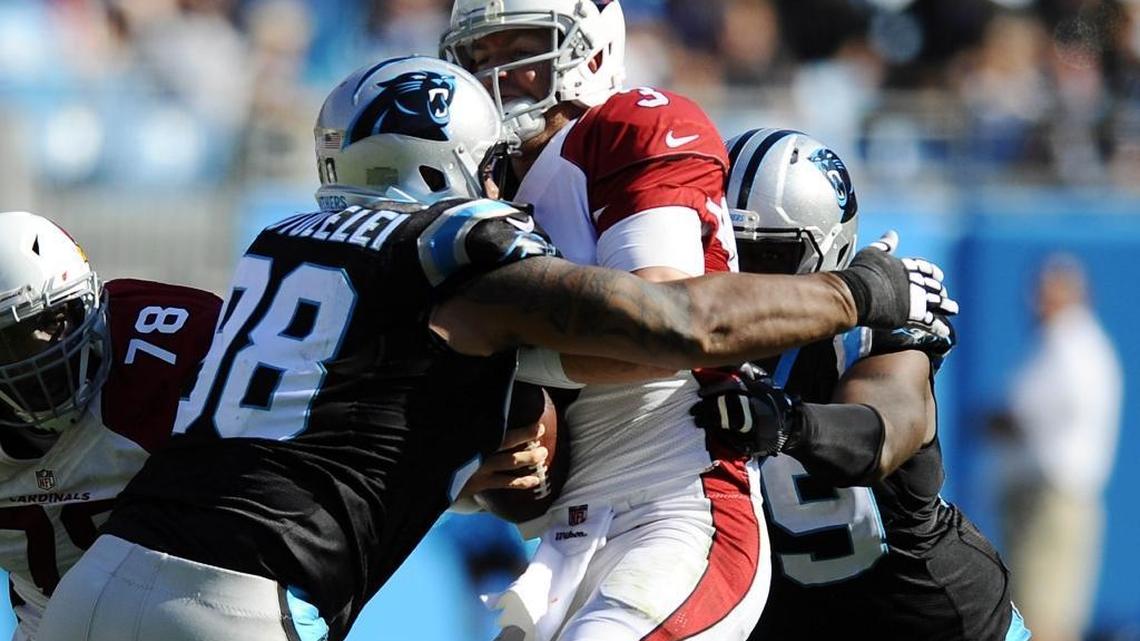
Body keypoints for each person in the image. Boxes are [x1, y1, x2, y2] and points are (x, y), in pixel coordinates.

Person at [38, 57, 953, 641]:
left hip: (101, 576)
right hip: (250, 596)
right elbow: (671, 326)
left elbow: (380, 423)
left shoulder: (278, 241)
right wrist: (859, 293)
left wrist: (513, 441)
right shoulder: (456, 247)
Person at [439, 4, 953, 640]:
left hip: (696, 521)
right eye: (481, 54)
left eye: (519, 49)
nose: (745, 278)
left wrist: (809, 389)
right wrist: (471, 466)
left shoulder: (629, 128)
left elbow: (666, 329)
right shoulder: (478, 187)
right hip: (578, 537)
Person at [689, 129, 1031, 641]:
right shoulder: (685, 330)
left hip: (928, 618)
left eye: (767, 257)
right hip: (791, 618)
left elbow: (880, 435)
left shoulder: (873, 336)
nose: (744, 279)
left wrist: (786, 424)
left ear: (829, 248)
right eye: (729, 252)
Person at [0, 210, 222, 641]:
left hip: (188, 619)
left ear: (88, 301)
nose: (30, 361)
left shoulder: (170, 350)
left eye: (46, 325)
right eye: (2, 345)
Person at [991, 254, 1122, 641]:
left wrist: (991, 420)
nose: (1036, 301)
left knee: (1040, 616)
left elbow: (1023, 416)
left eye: (1048, 291)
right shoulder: (1071, 343)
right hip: (1049, 498)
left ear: (1074, 294)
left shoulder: (1069, 342)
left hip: (1050, 499)